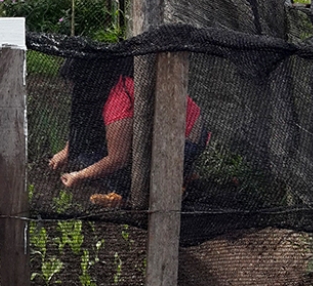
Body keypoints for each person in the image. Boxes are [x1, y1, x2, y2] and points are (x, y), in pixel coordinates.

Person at [49, 56, 207, 202]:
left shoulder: (117, 99)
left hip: (183, 144)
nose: (72, 90)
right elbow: (87, 124)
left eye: (74, 85)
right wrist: (67, 150)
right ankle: (183, 177)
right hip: (187, 133)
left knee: (92, 158)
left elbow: (117, 159)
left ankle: (126, 196)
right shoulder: (112, 80)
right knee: (91, 149)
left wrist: (78, 175)